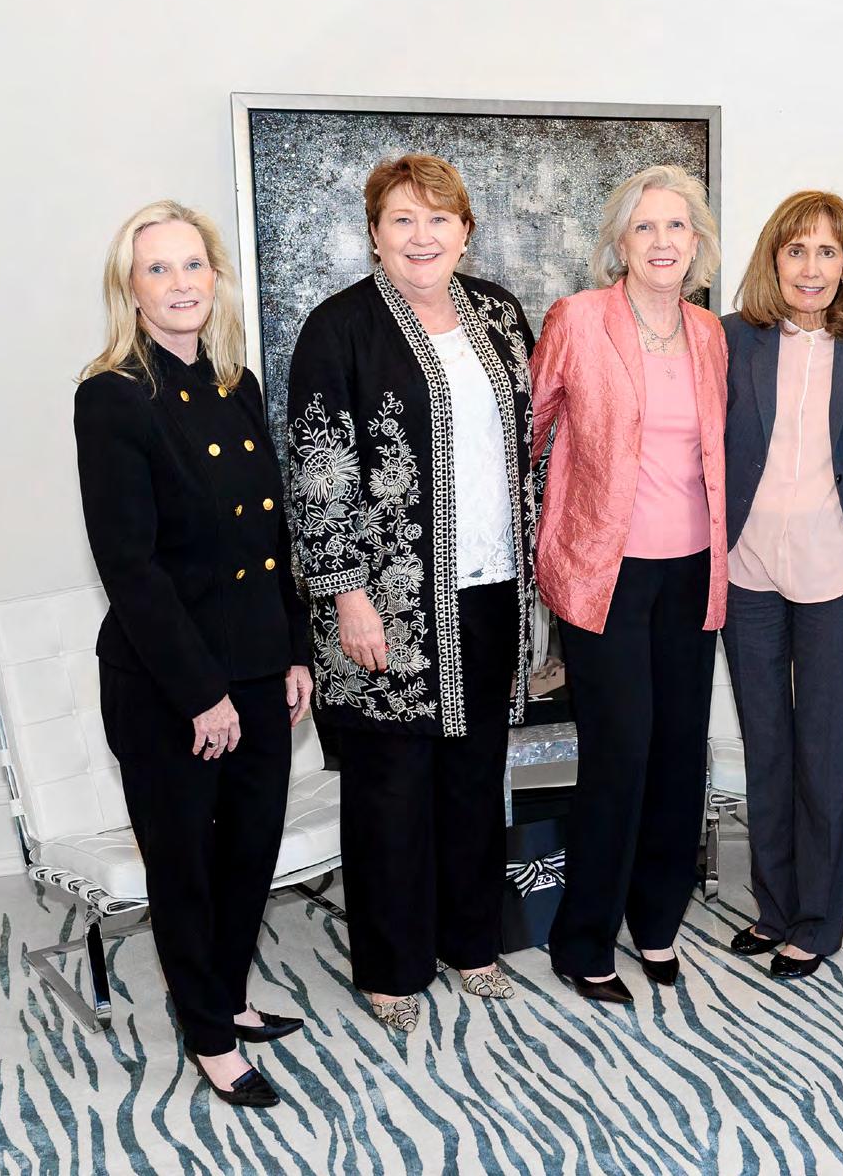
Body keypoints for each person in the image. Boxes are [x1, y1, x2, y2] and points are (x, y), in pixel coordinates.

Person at [284, 154, 538, 1034]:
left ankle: (471, 943)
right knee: (390, 788)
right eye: (401, 219)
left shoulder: (499, 315)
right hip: (386, 602)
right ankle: (391, 966)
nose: (421, 236)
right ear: (374, 234)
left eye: (438, 219)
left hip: (491, 586)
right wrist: (346, 594)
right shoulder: (338, 328)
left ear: (465, 231)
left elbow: (530, 445)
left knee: (474, 775)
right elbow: (318, 472)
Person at [72, 200, 313, 1107]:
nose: (180, 283)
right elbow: (128, 567)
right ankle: (208, 1033)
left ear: (215, 277)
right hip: (168, 682)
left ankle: (228, 995)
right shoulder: (111, 396)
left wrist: (294, 651)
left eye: (192, 265)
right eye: (157, 269)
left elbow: (272, 538)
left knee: (249, 851)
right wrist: (200, 693)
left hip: (257, 664)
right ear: (130, 292)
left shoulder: (234, 382)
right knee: (186, 867)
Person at [530, 165, 729, 1005]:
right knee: (619, 755)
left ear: (697, 242)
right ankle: (581, 938)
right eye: (644, 226)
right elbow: (529, 431)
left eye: (675, 226)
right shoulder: (578, 319)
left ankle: (656, 921)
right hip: (602, 576)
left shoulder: (709, 333)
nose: (660, 241)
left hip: (693, 573)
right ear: (619, 242)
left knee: (680, 755)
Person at [717, 190, 843, 979]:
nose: (810, 266)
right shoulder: (730, 338)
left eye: (826, 251)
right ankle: (772, 906)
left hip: (839, 568)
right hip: (746, 567)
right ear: (774, 258)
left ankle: (816, 920)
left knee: (822, 749)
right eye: (795, 249)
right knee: (766, 743)